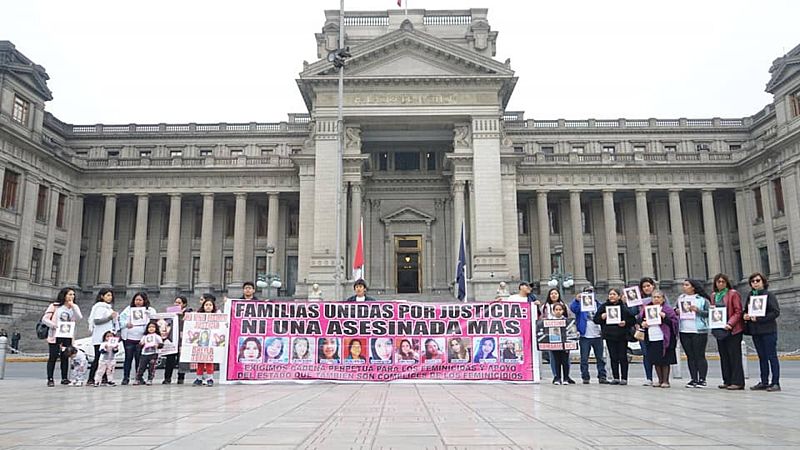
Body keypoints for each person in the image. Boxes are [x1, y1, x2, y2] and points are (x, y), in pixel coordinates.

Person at [744, 272, 781, 392]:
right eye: (753, 281)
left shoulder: (769, 295)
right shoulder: (751, 296)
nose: (755, 283)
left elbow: (775, 312)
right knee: (762, 357)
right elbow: (746, 310)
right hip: (756, 331)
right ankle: (764, 381)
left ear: (763, 282)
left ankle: (775, 382)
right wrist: (746, 315)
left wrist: (760, 318)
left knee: (771, 356)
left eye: (757, 280)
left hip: (768, 330)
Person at [593, 288, 635, 385]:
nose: (611, 296)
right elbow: (596, 319)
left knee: (623, 357)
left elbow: (632, 320)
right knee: (613, 357)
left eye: (614, 294)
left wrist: (625, 322)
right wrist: (602, 317)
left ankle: (624, 378)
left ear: (619, 296)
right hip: (609, 335)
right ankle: (615, 377)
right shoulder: (604, 306)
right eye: (610, 294)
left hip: (622, 335)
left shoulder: (623, 307)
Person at [42, 287, 83, 387]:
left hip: (67, 335)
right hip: (55, 334)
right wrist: (54, 325)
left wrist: (73, 306)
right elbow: (45, 319)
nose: (72, 296)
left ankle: (64, 378)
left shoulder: (73, 307)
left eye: (73, 295)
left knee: (65, 356)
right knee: (53, 356)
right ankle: (50, 378)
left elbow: (79, 317)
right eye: (69, 294)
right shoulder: (55, 306)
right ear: (64, 295)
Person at [569, 287, 608, 384]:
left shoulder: (599, 305)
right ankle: (585, 376)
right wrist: (576, 300)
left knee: (600, 358)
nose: (589, 294)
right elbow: (573, 308)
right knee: (584, 358)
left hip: (597, 335)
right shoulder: (580, 305)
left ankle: (602, 376)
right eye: (587, 292)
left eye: (591, 292)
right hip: (585, 335)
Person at [639, 291, 678, 388]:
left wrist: (664, 317)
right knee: (655, 360)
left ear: (663, 299)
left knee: (665, 360)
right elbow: (640, 319)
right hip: (652, 336)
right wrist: (643, 323)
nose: (656, 299)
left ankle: (666, 380)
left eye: (658, 297)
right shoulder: (647, 309)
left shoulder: (667, 309)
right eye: (654, 297)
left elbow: (674, 322)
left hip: (664, 337)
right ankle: (660, 380)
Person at [677, 279, 710, 388]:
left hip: (698, 330)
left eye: (687, 285)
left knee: (699, 355)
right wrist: (677, 311)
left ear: (693, 287)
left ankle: (702, 379)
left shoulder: (702, 300)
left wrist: (698, 311)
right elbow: (675, 309)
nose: (684, 287)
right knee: (690, 356)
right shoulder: (681, 298)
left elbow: (709, 313)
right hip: (684, 330)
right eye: (684, 285)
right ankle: (694, 378)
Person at [119, 291, 156, 385]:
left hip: (141, 339)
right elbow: (121, 320)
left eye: (140, 300)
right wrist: (126, 324)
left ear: (144, 300)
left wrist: (148, 315)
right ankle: (126, 377)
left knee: (139, 359)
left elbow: (154, 321)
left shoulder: (149, 310)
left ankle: (138, 377)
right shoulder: (128, 309)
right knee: (128, 358)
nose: (138, 302)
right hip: (129, 338)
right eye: (136, 300)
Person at [537, 288, 571, 380]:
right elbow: (540, 319)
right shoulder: (544, 307)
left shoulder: (564, 305)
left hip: (563, 334)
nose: (554, 295)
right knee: (553, 356)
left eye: (556, 293)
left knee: (565, 357)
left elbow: (569, 319)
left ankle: (566, 376)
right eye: (552, 293)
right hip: (551, 334)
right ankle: (556, 375)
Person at [87, 288, 117, 385]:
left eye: (111, 295)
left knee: (107, 358)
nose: (110, 297)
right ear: (102, 296)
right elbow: (97, 321)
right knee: (98, 358)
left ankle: (104, 378)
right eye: (107, 295)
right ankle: (91, 378)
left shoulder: (109, 308)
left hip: (108, 336)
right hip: (100, 337)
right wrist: (110, 317)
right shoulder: (99, 307)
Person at [632, 277, 656, 386]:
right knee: (646, 354)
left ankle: (662, 378)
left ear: (653, 286)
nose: (646, 288)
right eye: (644, 287)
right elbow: (633, 314)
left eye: (648, 286)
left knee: (658, 354)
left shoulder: (659, 296)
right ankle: (649, 378)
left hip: (657, 329)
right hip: (643, 330)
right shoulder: (638, 300)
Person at [163, 295, 192, 383]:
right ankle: (167, 378)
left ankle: (181, 378)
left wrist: (183, 314)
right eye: (175, 302)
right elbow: (166, 323)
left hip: (182, 338)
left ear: (184, 304)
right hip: (172, 338)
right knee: (170, 358)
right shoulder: (170, 313)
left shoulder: (188, 312)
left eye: (179, 303)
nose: (176, 304)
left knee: (182, 359)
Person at [193, 295, 218, 386]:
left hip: (210, 342)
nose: (208, 306)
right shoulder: (198, 316)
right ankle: (199, 378)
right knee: (199, 361)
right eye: (206, 305)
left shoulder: (217, 317)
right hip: (200, 342)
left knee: (209, 361)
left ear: (213, 306)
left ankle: (210, 379)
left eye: (210, 305)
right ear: (203, 306)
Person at [549, 303, 573, 385]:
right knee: (556, 361)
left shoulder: (567, 321)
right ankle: (557, 378)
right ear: (553, 311)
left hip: (565, 344)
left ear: (563, 311)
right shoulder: (550, 321)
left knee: (565, 361)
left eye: (560, 310)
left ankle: (566, 378)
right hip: (554, 343)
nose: (558, 311)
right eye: (556, 310)